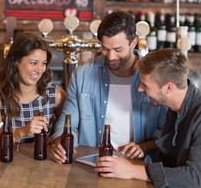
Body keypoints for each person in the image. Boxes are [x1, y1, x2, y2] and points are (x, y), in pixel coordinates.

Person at [51, 11, 167, 163]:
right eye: (105, 49)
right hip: (91, 165)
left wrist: (144, 147)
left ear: (133, 43)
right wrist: (59, 142)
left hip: (138, 166)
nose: (111, 57)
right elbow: (67, 123)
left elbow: (165, 131)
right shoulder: (83, 75)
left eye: (118, 50)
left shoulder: (155, 76)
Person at [96, 48, 201, 188]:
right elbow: (167, 159)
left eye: (145, 85)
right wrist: (142, 150)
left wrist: (133, 171)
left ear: (169, 88)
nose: (139, 89)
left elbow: (194, 178)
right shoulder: (174, 108)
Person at [0, 32, 66, 148]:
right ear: (16, 62)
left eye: (43, 64)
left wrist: (55, 140)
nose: (39, 70)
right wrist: (22, 132)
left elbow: (69, 130)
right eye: (33, 63)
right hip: (7, 164)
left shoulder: (55, 94)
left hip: (44, 164)